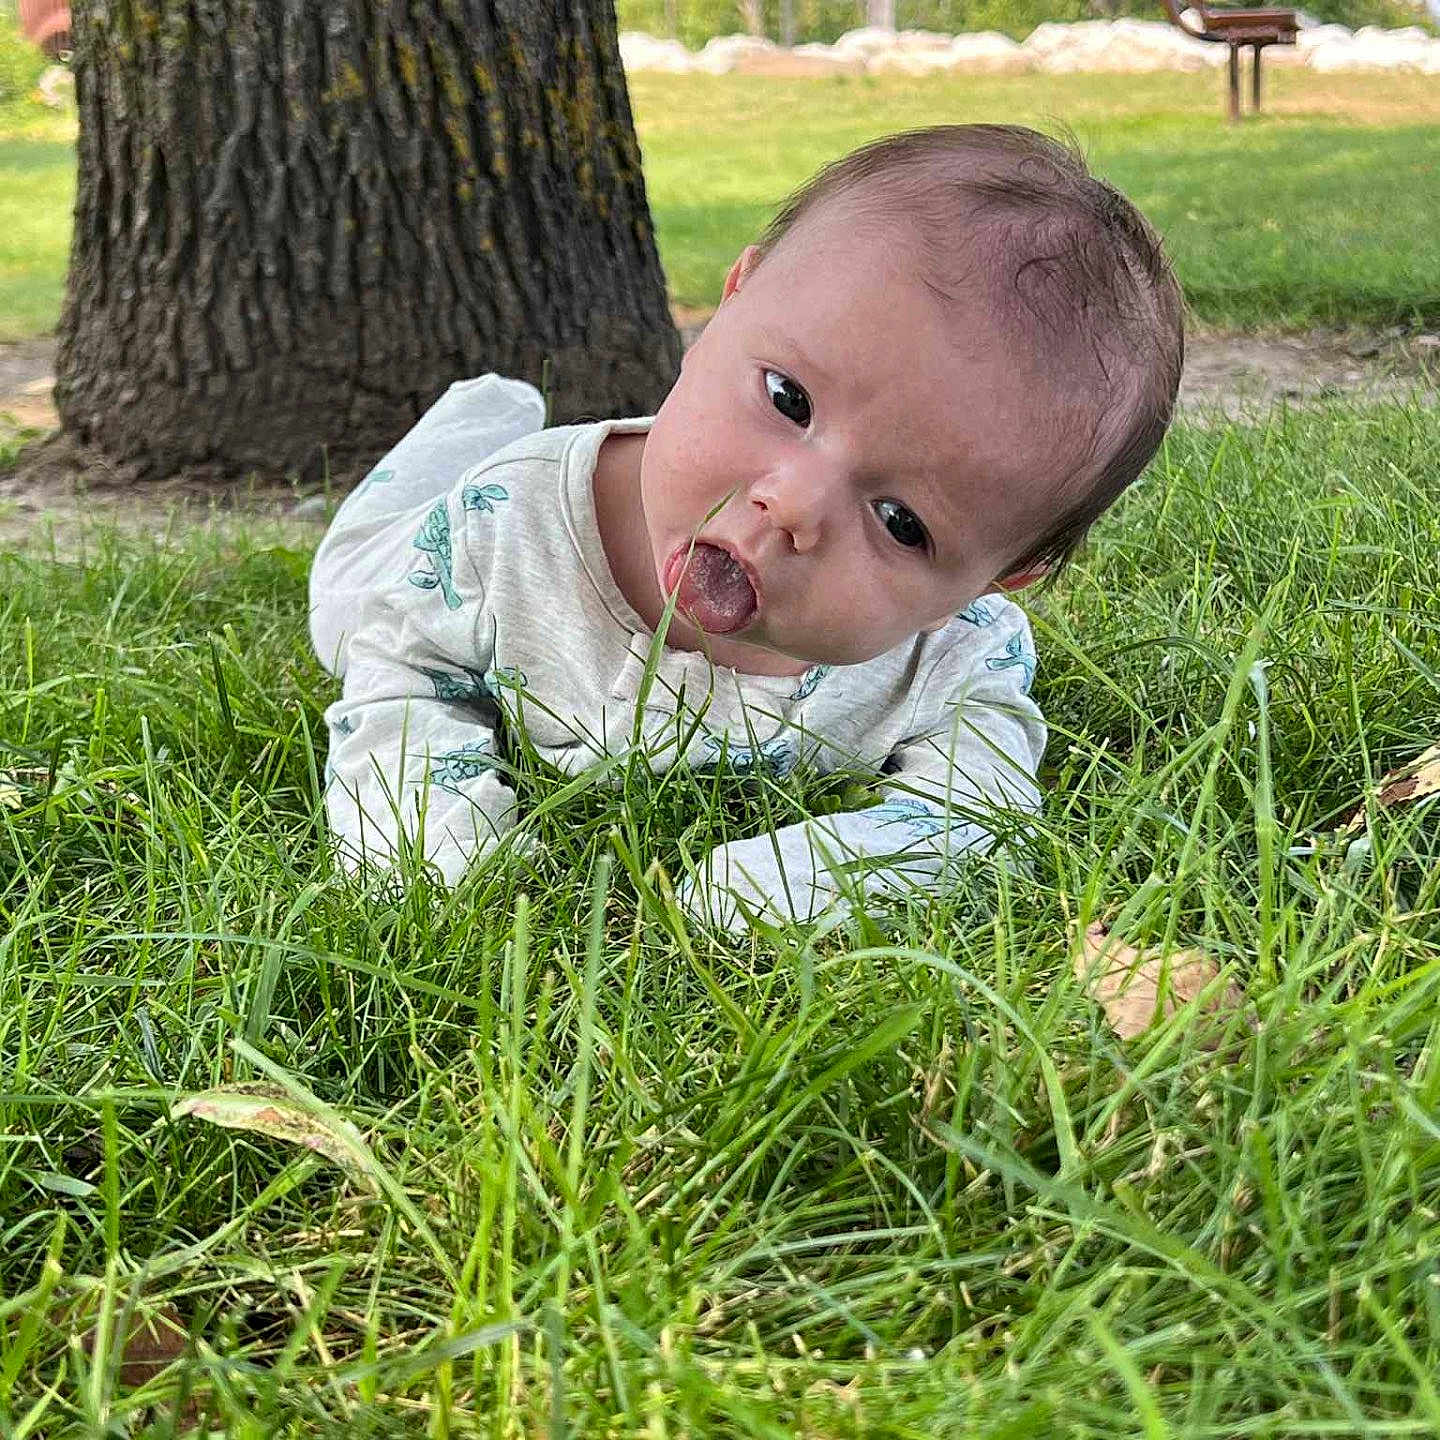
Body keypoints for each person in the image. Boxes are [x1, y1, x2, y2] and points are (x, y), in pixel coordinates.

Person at [308, 124, 1184, 930]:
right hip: (439, 536)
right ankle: (477, 416)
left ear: (994, 579)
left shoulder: (956, 658)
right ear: (730, 302)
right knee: (343, 608)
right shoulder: (501, 534)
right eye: (786, 398)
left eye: (899, 521)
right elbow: (399, 674)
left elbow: (979, 813)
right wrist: (453, 859)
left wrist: (758, 891)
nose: (793, 504)